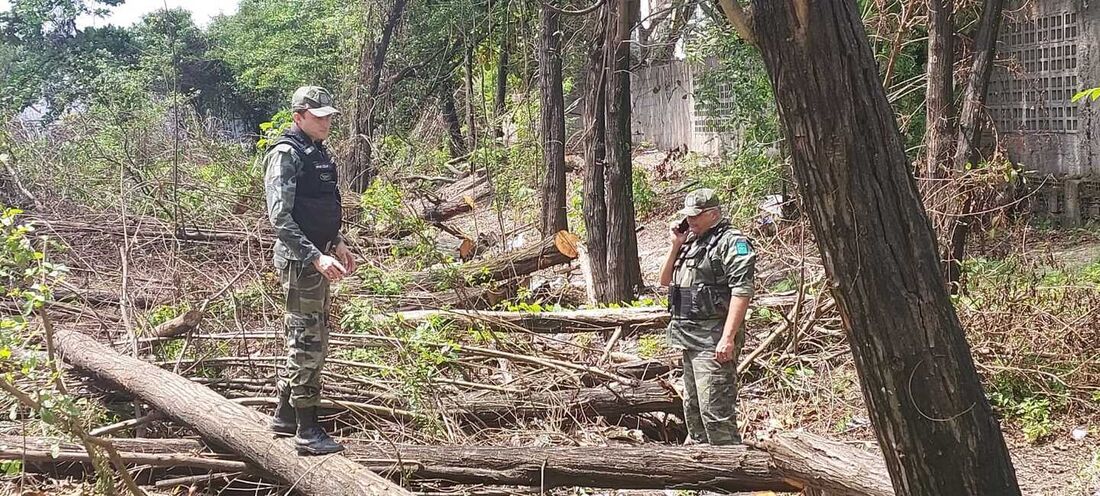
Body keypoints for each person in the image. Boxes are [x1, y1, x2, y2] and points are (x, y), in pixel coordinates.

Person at [263, 85, 357, 455]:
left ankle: (286, 416)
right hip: (301, 264)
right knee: (307, 342)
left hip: (318, 258)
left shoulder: (315, 151)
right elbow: (281, 219)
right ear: (298, 116)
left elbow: (318, 207)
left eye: (329, 116)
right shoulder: (286, 154)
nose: (327, 122)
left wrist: (336, 242)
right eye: (319, 117)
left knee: (310, 335)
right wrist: (314, 256)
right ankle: (307, 431)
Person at [658, 188, 756, 445]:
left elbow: (742, 291)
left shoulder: (732, 242)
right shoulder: (691, 241)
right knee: (694, 410)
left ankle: (730, 475)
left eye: (695, 216)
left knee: (715, 414)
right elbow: (664, 280)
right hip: (688, 338)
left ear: (713, 214)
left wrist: (728, 338)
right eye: (687, 216)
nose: (690, 221)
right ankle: (702, 472)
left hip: (712, 341)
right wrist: (676, 244)